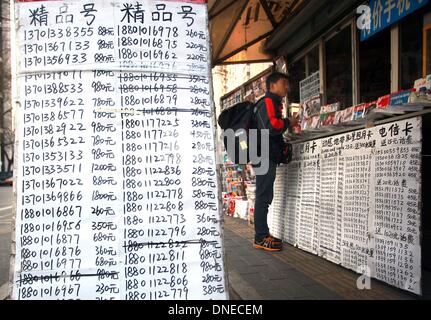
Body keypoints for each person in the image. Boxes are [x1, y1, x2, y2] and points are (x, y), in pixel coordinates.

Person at [253, 72, 297, 252]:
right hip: (263, 155)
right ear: (272, 86)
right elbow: (271, 127)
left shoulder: (273, 103)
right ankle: (260, 236)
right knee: (263, 196)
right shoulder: (268, 102)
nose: (287, 87)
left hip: (263, 154)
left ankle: (262, 234)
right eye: (283, 83)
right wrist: (289, 121)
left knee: (265, 195)